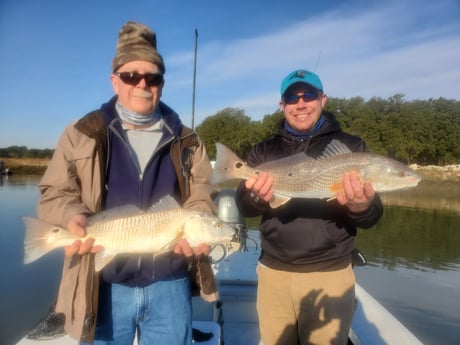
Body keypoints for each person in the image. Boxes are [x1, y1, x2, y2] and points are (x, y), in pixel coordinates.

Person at [37, 21, 218, 345]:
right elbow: (54, 191)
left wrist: (198, 216)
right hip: (103, 282)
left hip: (170, 282)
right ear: (114, 80)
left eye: (153, 77)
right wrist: (70, 217)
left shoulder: (189, 141)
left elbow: (203, 192)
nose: (143, 84)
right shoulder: (80, 133)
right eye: (131, 76)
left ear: (162, 83)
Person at [235, 69, 384, 345]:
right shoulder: (265, 150)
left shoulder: (351, 147)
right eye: (292, 97)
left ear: (323, 99)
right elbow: (244, 206)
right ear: (282, 105)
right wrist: (256, 197)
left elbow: (372, 215)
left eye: (309, 95)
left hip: (330, 276)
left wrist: (362, 206)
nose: (300, 103)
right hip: (273, 275)